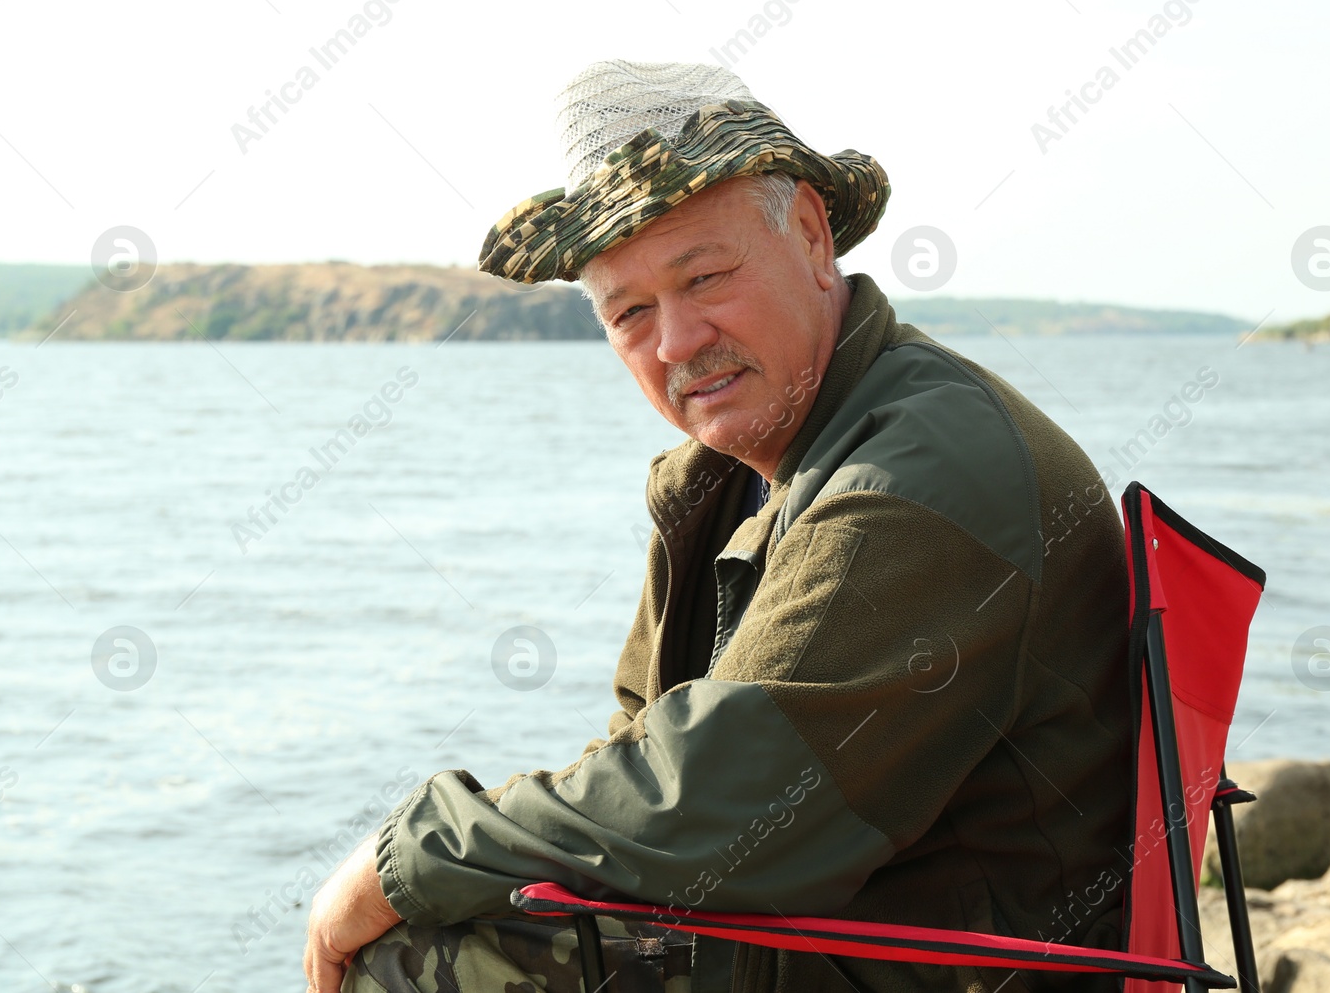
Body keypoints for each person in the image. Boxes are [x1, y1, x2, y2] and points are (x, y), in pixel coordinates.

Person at [303, 60, 1133, 993]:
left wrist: (404, 860)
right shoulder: (724, 482)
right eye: (628, 312)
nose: (675, 341)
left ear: (815, 239)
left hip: (953, 968)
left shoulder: (922, 466)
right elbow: (639, 748)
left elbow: (714, 802)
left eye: (704, 276)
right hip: (827, 933)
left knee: (414, 966)